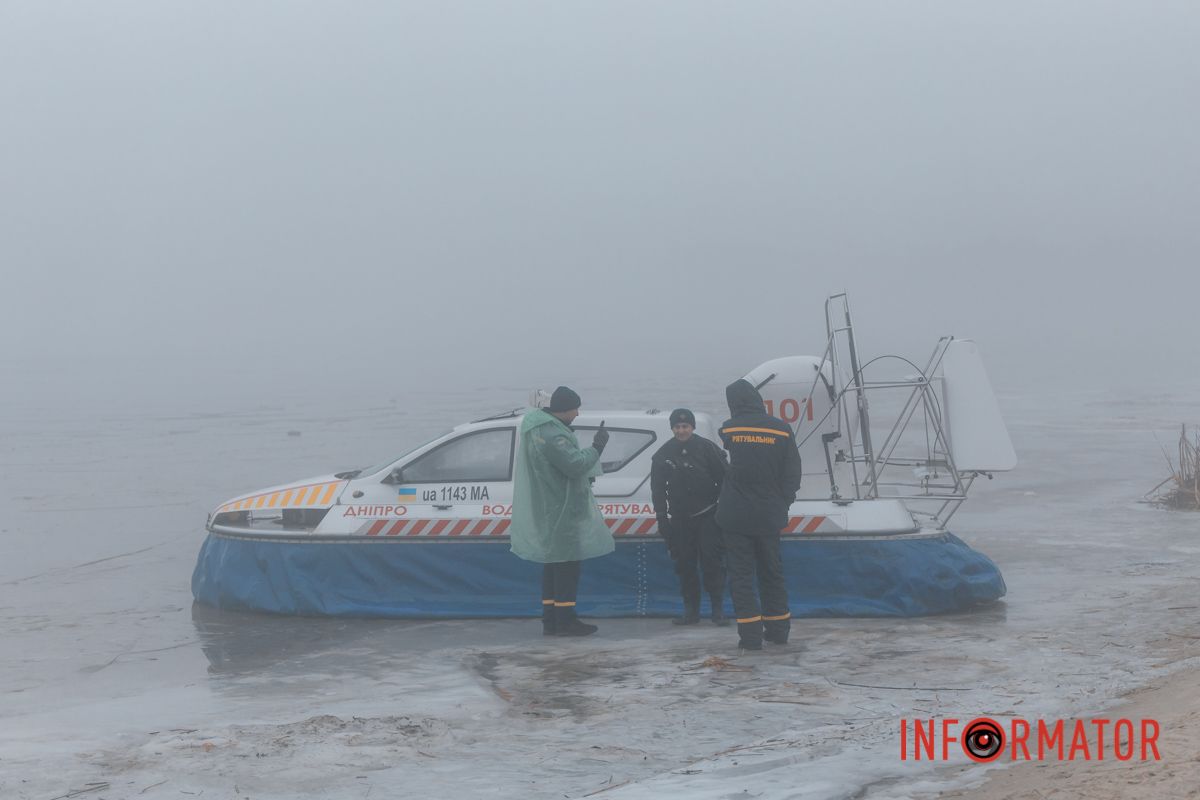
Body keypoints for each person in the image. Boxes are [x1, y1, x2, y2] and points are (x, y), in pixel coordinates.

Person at [510, 385, 614, 637]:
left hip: (548, 505)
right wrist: (597, 447)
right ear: (564, 410)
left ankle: (551, 619)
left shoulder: (537, 428)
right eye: (575, 409)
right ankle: (566, 620)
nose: (578, 414)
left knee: (553, 563)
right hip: (561, 506)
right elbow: (575, 465)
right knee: (567, 564)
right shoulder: (552, 433)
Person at [715, 379, 802, 651]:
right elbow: (792, 473)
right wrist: (782, 503)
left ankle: (750, 636)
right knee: (771, 573)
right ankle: (778, 630)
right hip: (769, 514)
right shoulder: (783, 430)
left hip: (735, 516)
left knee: (741, 576)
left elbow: (732, 467)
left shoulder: (729, 429)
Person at [650, 408, 730, 626]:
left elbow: (726, 479)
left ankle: (717, 610)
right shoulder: (663, 454)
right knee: (685, 565)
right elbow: (657, 489)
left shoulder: (707, 449)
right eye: (677, 427)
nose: (681, 430)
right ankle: (691, 612)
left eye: (685, 426)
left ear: (692, 427)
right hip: (680, 519)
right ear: (672, 428)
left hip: (708, 516)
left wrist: (724, 511)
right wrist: (662, 519)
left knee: (712, 563)